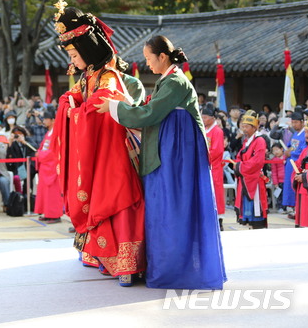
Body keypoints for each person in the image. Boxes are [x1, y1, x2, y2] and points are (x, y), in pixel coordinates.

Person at [96, 34, 226, 290]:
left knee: (173, 209)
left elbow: (150, 113)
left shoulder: (175, 82)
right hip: (170, 152)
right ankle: (167, 266)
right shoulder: (169, 81)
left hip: (177, 158)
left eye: (149, 58)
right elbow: (151, 110)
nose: (147, 64)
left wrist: (114, 107)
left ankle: (174, 270)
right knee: (167, 209)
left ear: (162, 56)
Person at [52, 2, 146, 286]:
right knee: (97, 198)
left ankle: (127, 264)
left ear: (87, 50)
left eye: (73, 53)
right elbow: (77, 98)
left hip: (113, 151)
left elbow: (99, 106)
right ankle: (101, 256)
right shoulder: (89, 76)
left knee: (116, 198)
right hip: (99, 150)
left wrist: (75, 111)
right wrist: (70, 104)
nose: (73, 59)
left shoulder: (109, 76)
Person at [234, 110, 268, 229]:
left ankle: (256, 225)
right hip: (246, 177)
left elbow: (257, 161)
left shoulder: (260, 141)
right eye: (243, 126)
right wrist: (238, 164)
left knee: (256, 208)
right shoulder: (246, 141)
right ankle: (249, 224)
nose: (244, 129)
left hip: (255, 179)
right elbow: (239, 156)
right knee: (247, 206)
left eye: (247, 127)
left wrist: (240, 167)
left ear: (254, 127)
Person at [34, 110, 63, 223]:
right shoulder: (49, 133)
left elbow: (54, 152)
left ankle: (55, 215)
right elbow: (43, 147)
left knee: (53, 192)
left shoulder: (56, 133)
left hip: (52, 166)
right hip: (45, 167)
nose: (44, 121)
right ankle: (47, 213)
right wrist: (39, 152)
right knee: (45, 192)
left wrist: (40, 154)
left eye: (46, 119)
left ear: (53, 120)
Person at [202, 102, 226, 230]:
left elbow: (217, 151)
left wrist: (202, 157)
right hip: (206, 165)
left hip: (214, 166)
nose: (203, 119)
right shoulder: (206, 130)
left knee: (216, 191)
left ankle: (219, 219)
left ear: (212, 118)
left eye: (205, 117)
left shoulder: (217, 131)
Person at [292, 114, 308, 227]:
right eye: (306, 132)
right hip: (303, 190)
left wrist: (304, 177)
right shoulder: (305, 151)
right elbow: (297, 165)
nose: (306, 135)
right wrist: (297, 174)